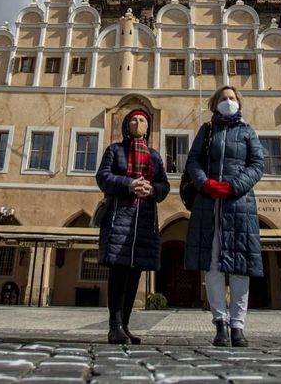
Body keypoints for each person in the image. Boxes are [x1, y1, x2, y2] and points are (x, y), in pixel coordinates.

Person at [184, 85, 265, 348]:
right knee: (214, 265)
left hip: (239, 204)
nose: (228, 101)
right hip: (209, 205)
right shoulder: (207, 131)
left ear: (239, 104)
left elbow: (257, 165)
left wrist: (234, 186)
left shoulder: (247, 131)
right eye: (223, 98)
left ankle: (238, 325)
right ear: (214, 103)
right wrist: (205, 184)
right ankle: (220, 322)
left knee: (241, 267)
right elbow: (193, 161)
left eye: (232, 98)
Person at [95, 108, 170, 345]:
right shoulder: (115, 150)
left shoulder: (155, 156)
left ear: (149, 127)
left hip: (144, 218)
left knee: (135, 272)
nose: (138, 124)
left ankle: (125, 325)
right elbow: (103, 177)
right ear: (126, 125)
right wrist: (129, 184)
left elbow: (164, 186)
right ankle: (114, 326)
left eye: (142, 120)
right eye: (134, 120)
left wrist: (153, 190)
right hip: (120, 216)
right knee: (118, 272)